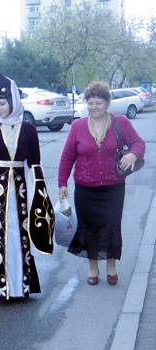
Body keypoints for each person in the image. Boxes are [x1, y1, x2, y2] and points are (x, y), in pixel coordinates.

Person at [0, 74, 55, 299]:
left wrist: (40, 193)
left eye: (3, 104)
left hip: (20, 189)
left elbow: (34, 163)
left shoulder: (29, 130)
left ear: (13, 102)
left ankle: (20, 284)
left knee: (19, 230)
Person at [58, 81, 145, 286]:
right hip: (85, 190)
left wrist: (133, 155)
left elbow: (138, 143)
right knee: (89, 228)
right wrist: (62, 183)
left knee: (111, 227)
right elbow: (67, 157)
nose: (94, 107)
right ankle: (93, 268)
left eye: (98, 103)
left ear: (107, 103)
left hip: (113, 188)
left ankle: (111, 267)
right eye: (90, 103)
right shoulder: (78, 126)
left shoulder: (120, 122)